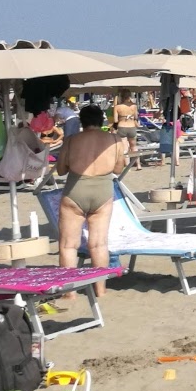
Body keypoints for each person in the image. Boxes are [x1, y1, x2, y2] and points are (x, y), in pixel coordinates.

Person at [54, 105, 126, 297]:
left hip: (76, 189)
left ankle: (70, 293)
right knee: (99, 244)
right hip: (103, 190)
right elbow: (118, 170)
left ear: (81, 122)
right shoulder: (115, 140)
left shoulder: (71, 140)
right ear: (101, 120)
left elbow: (61, 170)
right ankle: (100, 290)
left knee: (69, 245)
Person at [112, 90, 141, 170]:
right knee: (134, 147)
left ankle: (128, 167)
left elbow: (115, 120)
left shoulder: (117, 107)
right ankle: (138, 165)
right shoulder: (134, 106)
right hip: (131, 126)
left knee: (125, 148)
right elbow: (136, 117)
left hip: (122, 127)